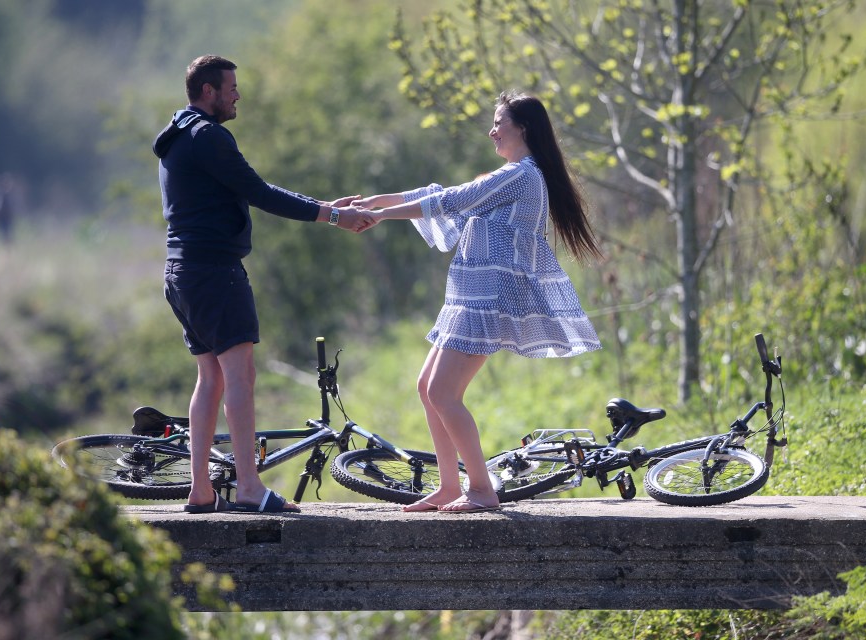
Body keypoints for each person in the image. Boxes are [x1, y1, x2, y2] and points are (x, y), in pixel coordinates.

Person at [356, 91, 603, 513]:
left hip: (486, 300)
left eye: (498, 123)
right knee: (427, 388)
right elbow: (449, 193)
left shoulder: (523, 175)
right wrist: (380, 201)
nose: (491, 131)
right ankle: (450, 486)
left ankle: (482, 489)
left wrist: (379, 215)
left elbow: (451, 201)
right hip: (469, 296)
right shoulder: (515, 174)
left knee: (443, 392)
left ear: (521, 128)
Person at [153, 55, 374, 514]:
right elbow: (262, 193)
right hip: (215, 272)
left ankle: (200, 490)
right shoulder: (209, 137)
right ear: (209, 91)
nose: (238, 95)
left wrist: (326, 205)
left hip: (182, 273)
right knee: (240, 375)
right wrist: (335, 216)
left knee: (209, 377)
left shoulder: (177, 136)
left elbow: (250, 190)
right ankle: (250, 488)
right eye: (231, 87)